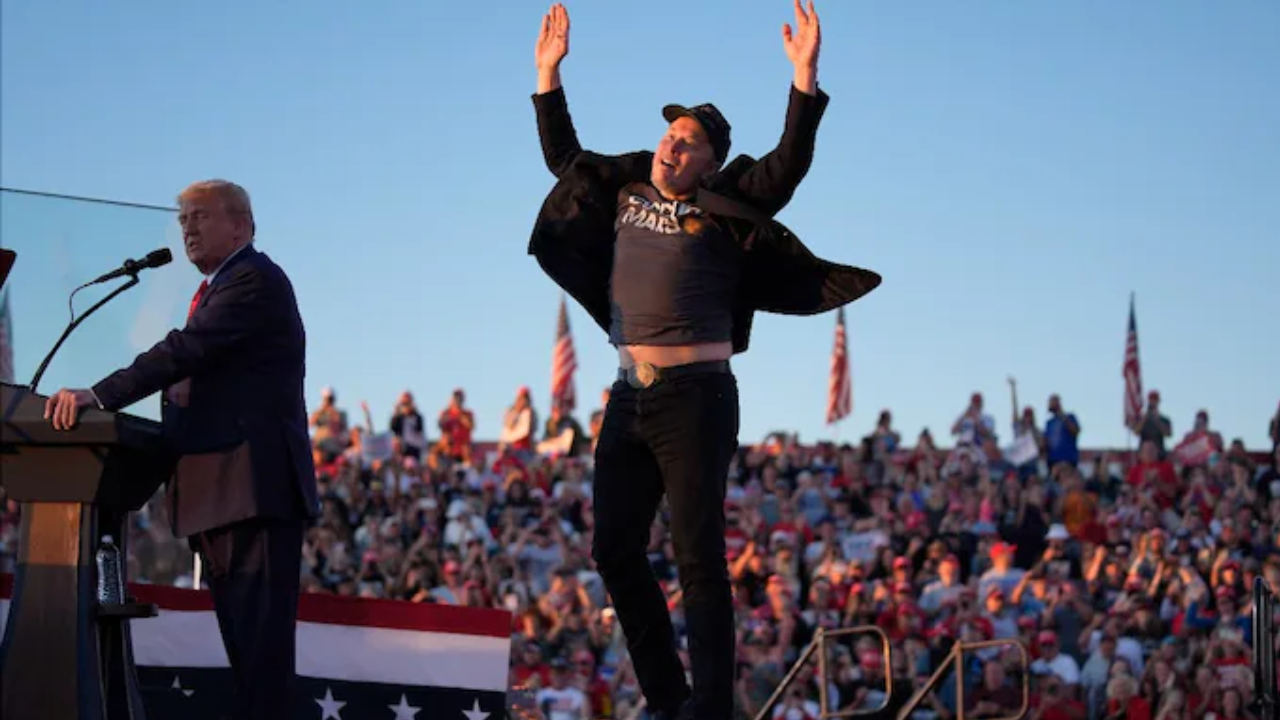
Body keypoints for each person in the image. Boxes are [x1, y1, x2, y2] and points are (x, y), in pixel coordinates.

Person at [527, 3, 881, 719]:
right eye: (669, 133)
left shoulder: (725, 205)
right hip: (628, 396)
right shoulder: (624, 191)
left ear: (711, 162)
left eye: (689, 142)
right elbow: (568, 163)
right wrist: (547, 77)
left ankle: (712, 707)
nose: (672, 146)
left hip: (697, 396)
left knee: (696, 556)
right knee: (613, 551)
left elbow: (788, 166)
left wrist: (805, 79)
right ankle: (669, 696)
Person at [44, 179, 318, 720]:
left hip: (251, 494)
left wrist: (98, 395)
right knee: (249, 662)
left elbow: (183, 352)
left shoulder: (253, 281)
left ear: (240, 225)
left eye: (199, 216)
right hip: (218, 496)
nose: (186, 227)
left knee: (262, 666)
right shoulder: (221, 286)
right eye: (182, 218)